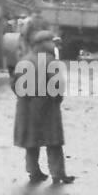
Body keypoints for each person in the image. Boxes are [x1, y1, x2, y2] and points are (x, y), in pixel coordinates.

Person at [11, 30, 75, 185]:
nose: (54, 45)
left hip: (27, 107)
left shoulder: (24, 60)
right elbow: (57, 86)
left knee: (31, 141)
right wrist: (56, 100)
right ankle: (58, 173)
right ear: (43, 43)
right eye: (51, 41)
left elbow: (14, 84)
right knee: (53, 142)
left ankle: (34, 172)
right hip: (47, 107)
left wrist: (25, 98)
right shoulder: (50, 61)